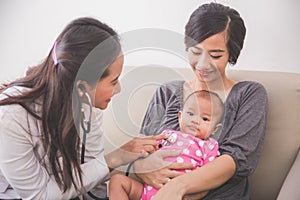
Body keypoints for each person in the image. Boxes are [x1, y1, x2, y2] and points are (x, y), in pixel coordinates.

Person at [0, 17, 166, 199]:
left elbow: (93, 181)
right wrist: (117, 157)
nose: (118, 89)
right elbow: (40, 195)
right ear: (81, 87)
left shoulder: (87, 105)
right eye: (113, 81)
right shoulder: (11, 116)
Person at [134, 2, 268, 200]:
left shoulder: (249, 94)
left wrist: (178, 187)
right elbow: (140, 151)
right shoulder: (168, 92)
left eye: (215, 55)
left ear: (232, 54)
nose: (203, 64)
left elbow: (237, 160)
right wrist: (142, 168)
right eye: (195, 52)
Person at [109, 90, 224, 200]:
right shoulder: (167, 135)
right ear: (180, 116)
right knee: (117, 181)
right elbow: (146, 152)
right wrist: (142, 160)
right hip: (145, 192)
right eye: (191, 113)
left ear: (215, 129)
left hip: (178, 195)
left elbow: (210, 176)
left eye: (205, 118)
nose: (195, 120)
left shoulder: (209, 146)